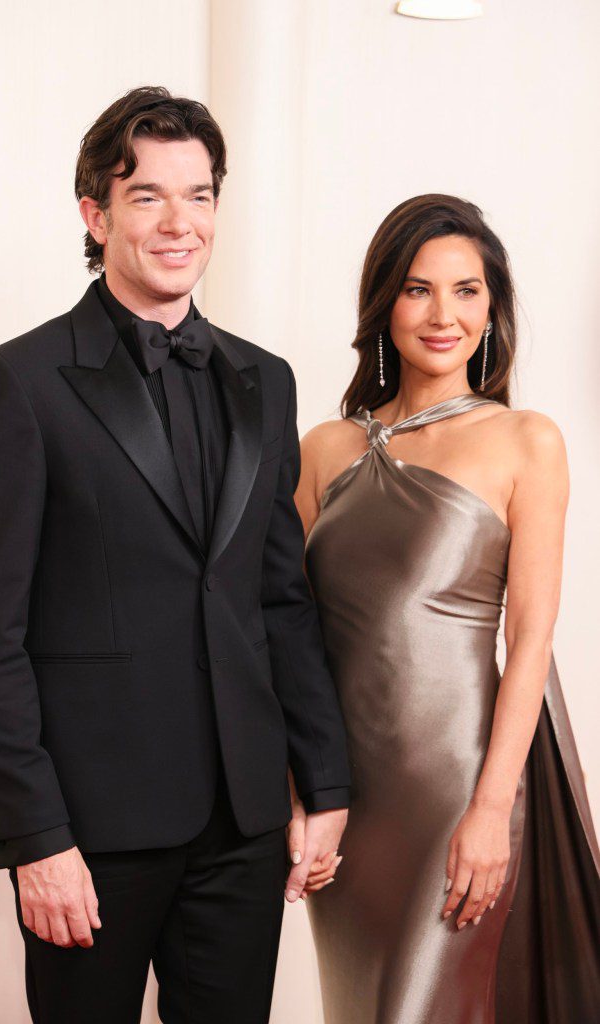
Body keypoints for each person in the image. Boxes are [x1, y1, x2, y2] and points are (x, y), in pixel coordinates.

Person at [0, 85, 350, 1024]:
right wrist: (35, 835)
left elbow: (280, 599)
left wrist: (323, 781)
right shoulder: (17, 383)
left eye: (199, 195)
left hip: (243, 821)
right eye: (148, 196)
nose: (180, 223)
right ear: (96, 213)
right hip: (89, 831)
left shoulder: (266, 379)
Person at [289, 194, 600, 1023]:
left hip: (457, 792)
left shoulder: (525, 441)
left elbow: (530, 635)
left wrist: (491, 810)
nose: (442, 314)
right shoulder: (324, 449)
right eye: (418, 289)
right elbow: (284, 633)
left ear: (491, 308)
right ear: (383, 300)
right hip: (346, 802)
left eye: (466, 291)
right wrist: (300, 788)